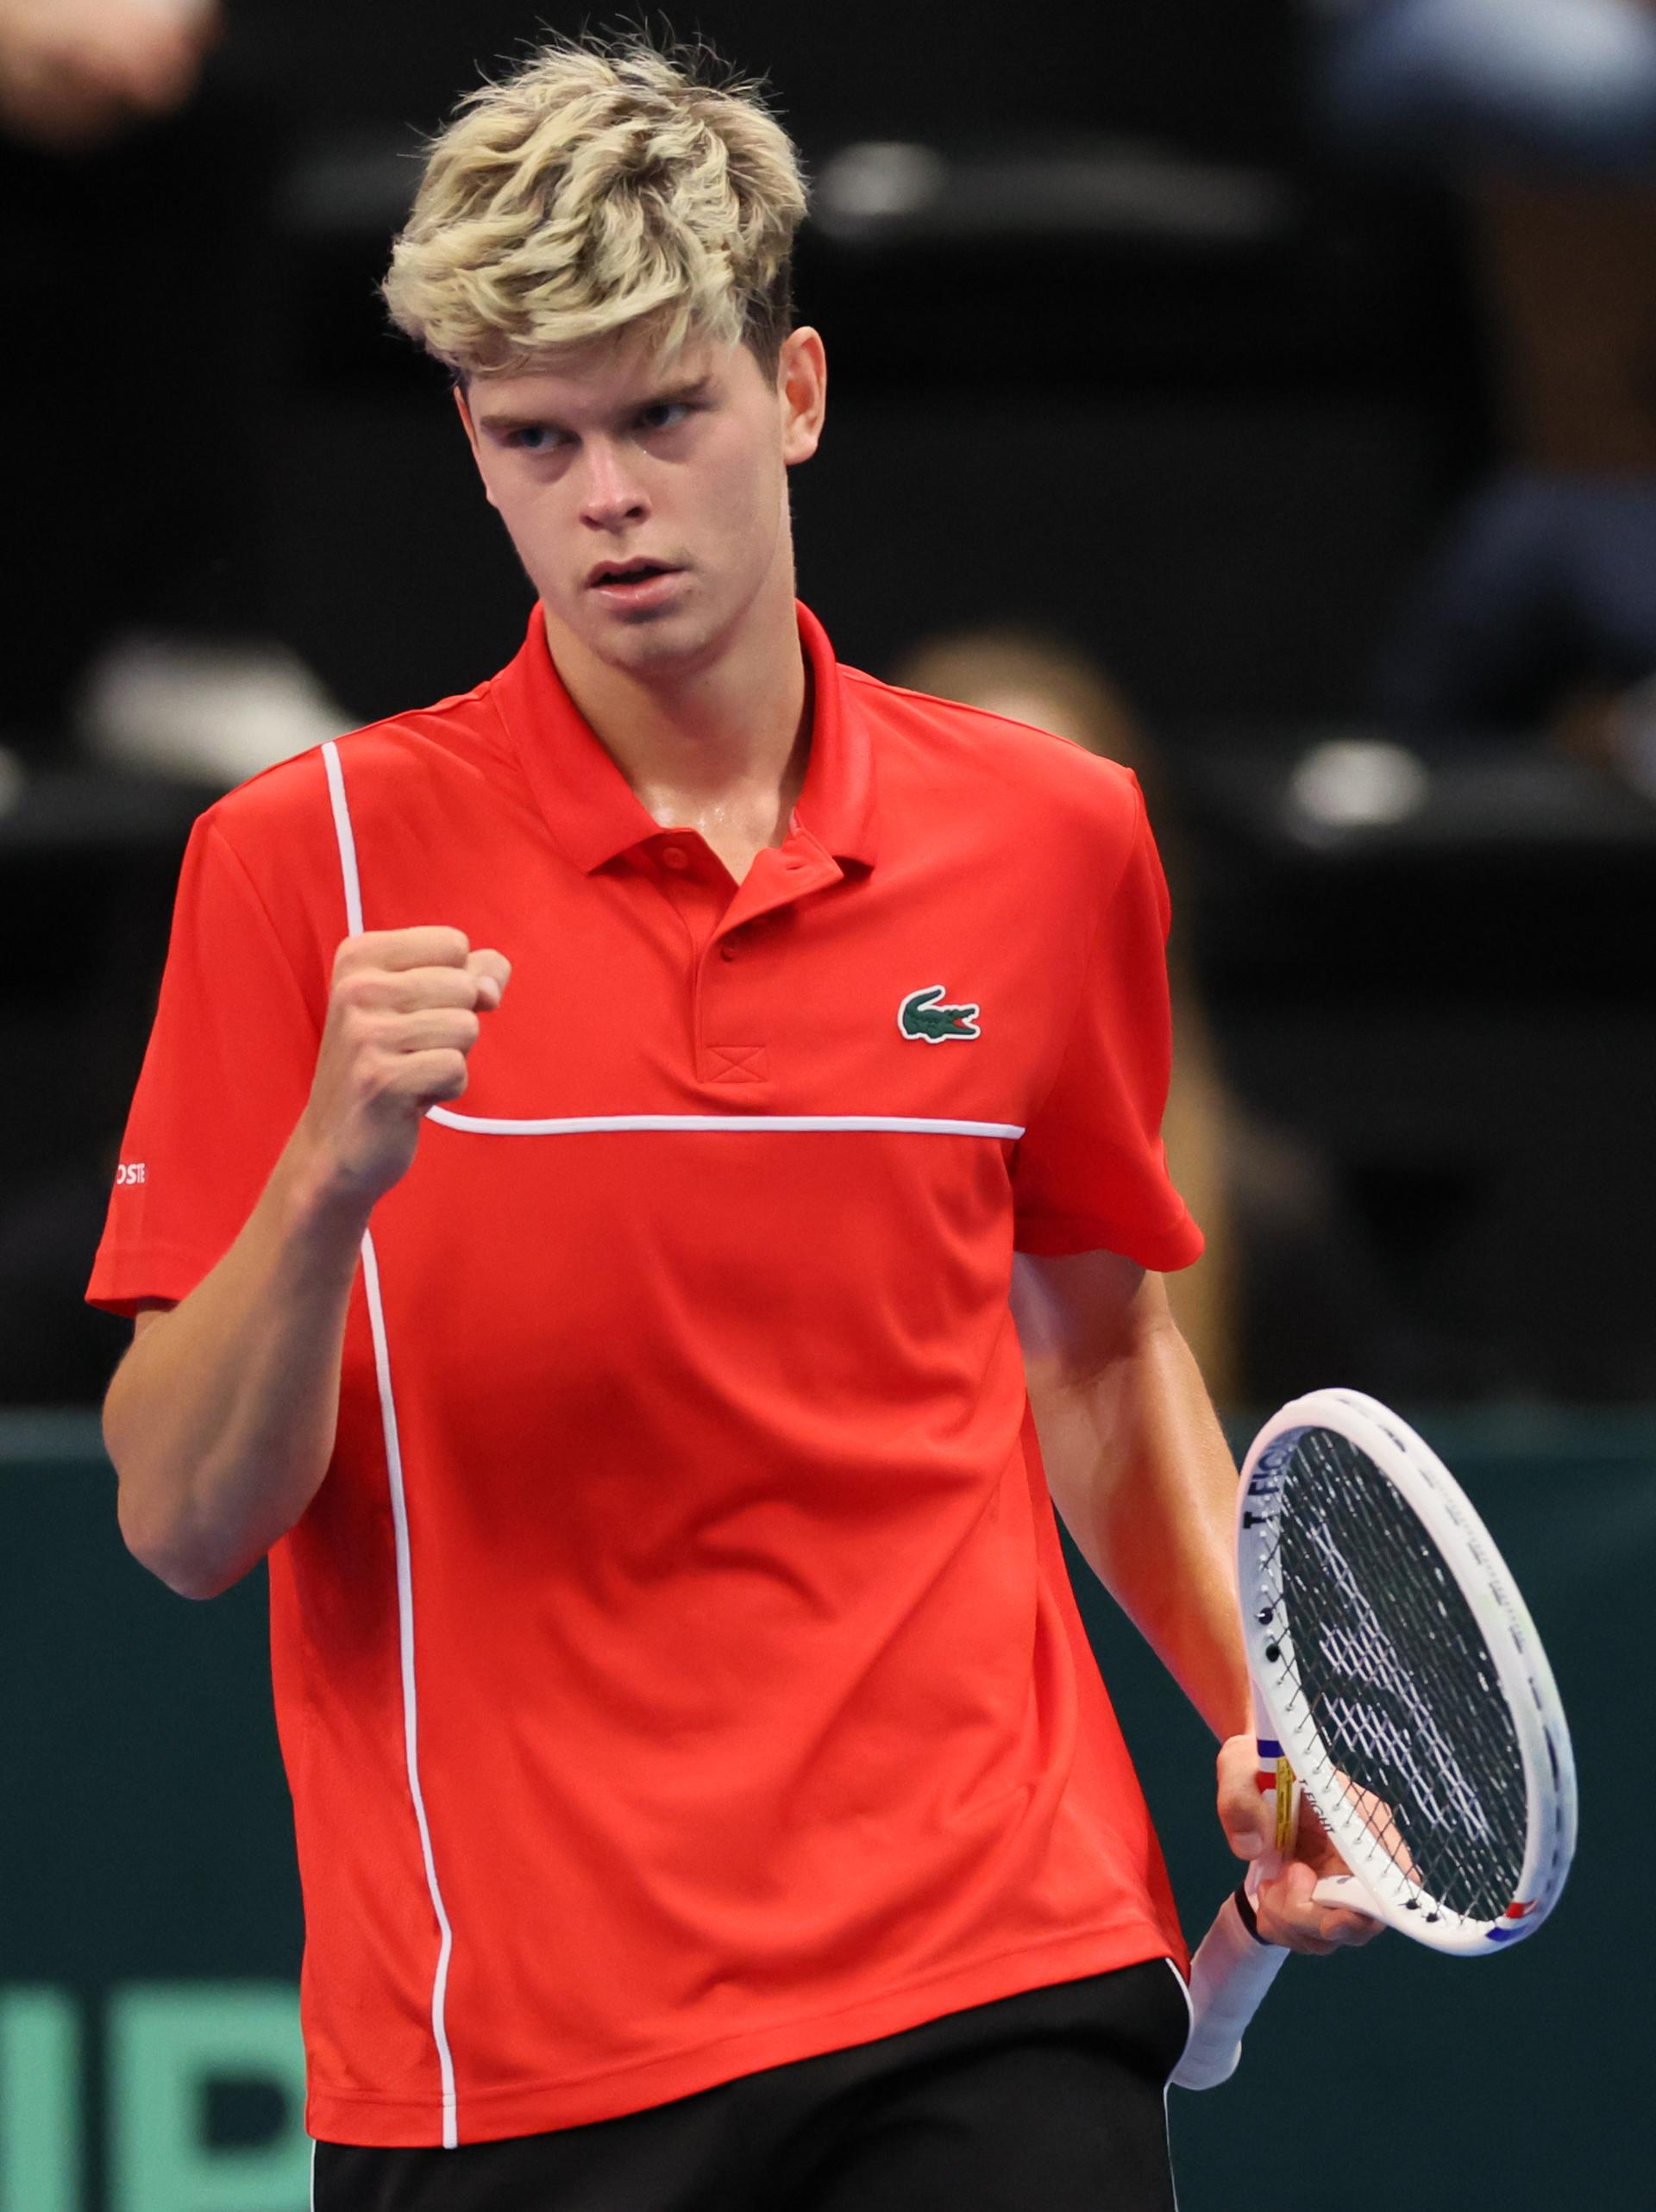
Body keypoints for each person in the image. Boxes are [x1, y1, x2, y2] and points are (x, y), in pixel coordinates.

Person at [89, 32, 1378, 2210]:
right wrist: (323, 1181)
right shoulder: (299, 863)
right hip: (517, 2047)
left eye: (663, 415)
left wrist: (1266, 1713)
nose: (608, 496)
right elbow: (184, 1521)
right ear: (472, 448)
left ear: (793, 391)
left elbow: (1093, 1343)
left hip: (994, 1954)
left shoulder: (1053, 835)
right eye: (538, 437)